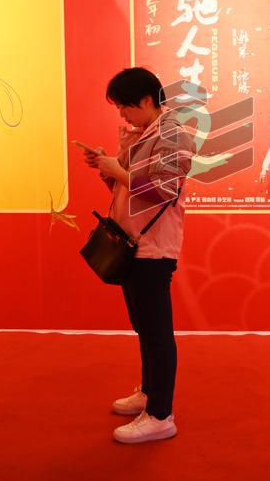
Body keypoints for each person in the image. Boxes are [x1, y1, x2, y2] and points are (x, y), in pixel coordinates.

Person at [83, 67, 196, 444]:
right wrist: (107, 170)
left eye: (124, 106)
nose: (121, 114)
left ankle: (161, 415)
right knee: (145, 328)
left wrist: (118, 169)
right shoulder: (145, 132)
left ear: (147, 100)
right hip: (133, 242)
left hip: (153, 247)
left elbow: (163, 190)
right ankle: (149, 393)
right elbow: (128, 187)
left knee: (157, 333)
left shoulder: (173, 133)